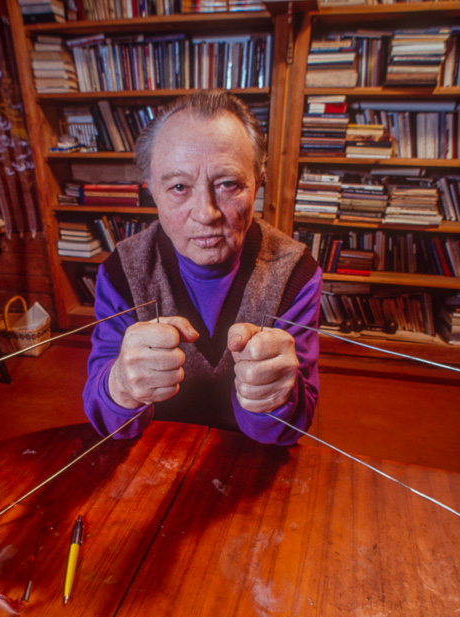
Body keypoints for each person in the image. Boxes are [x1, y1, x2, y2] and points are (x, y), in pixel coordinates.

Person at [84, 90, 321, 444]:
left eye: (228, 184)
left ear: (258, 181)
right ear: (152, 191)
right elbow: (110, 425)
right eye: (179, 187)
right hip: (151, 450)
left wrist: (272, 400)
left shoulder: (295, 271)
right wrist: (119, 384)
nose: (206, 213)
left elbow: (285, 433)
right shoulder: (121, 271)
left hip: (252, 457)